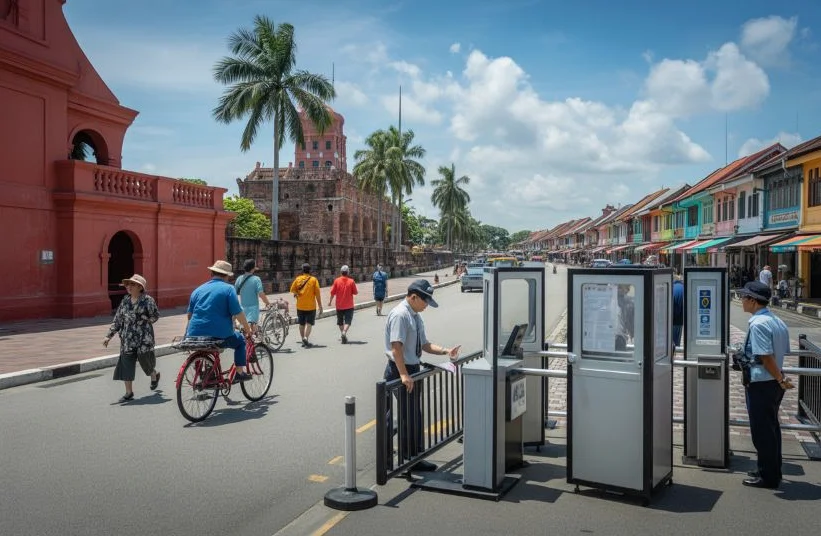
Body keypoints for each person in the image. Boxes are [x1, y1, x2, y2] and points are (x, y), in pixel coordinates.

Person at [384, 279, 460, 473]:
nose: (427, 305)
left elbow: (424, 344)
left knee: (414, 415)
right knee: (407, 416)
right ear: (414, 297)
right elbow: (396, 348)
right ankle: (404, 461)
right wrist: (403, 374)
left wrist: (446, 351)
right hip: (400, 369)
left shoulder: (415, 315)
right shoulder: (400, 315)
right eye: (425, 301)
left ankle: (414, 457)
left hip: (412, 369)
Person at [737, 281, 793, 489]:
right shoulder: (776, 320)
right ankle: (770, 469)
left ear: (752, 301)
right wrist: (781, 379)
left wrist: (778, 378)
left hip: (763, 382)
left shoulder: (758, 324)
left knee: (762, 431)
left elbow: (765, 357)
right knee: (771, 428)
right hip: (774, 383)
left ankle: (768, 477)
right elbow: (781, 353)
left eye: (744, 297)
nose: (741, 300)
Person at [184, 260, 253, 382]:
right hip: (218, 335)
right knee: (240, 341)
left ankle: (207, 372)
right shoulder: (228, 289)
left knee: (207, 347)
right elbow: (238, 313)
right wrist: (248, 330)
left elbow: (189, 316)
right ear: (227, 276)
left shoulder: (198, 290)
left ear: (211, 273)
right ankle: (239, 373)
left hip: (193, 334)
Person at [104, 274, 160, 402]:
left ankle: (154, 375)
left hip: (143, 337)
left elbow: (155, 315)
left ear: (140, 287)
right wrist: (108, 336)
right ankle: (129, 392)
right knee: (126, 362)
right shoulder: (125, 301)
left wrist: (146, 320)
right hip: (127, 338)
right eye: (128, 284)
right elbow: (118, 319)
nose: (129, 287)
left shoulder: (148, 300)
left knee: (145, 361)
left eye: (132, 284)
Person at [235, 258, 271, 335]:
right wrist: (267, 303)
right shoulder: (256, 279)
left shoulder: (239, 279)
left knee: (245, 329)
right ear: (253, 269)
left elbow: (234, 293)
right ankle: (254, 345)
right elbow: (261, 293)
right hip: (253, 309)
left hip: (242, 308)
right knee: (252, 330)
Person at [290, 263, 323, 347]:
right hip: (311, 306)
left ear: (302, 270)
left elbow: (292, 290)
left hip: (300, 305)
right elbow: (317, 294)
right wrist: (320, 306)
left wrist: (297, 294)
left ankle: (302, 339)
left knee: (301, 324)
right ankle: (306, 338)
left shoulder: (298, 279)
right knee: (309, 323)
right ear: (310, 270)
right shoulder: (314, 280)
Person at [329, 265, 358, 344]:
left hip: (339, 305)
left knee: (340, 321)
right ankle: (344, 332)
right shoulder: (351, 281)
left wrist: (330, 302)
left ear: (341, 272)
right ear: (348, 272)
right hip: (349, 305)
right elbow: (355, 292)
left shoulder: (336, 281)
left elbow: (332, 293)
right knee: (348, 321)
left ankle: (342, 333)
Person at [672, 274, 684, 349]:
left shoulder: (672, 288)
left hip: (671, 320)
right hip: (680, 321)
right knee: (677, 343)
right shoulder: (683, 288)